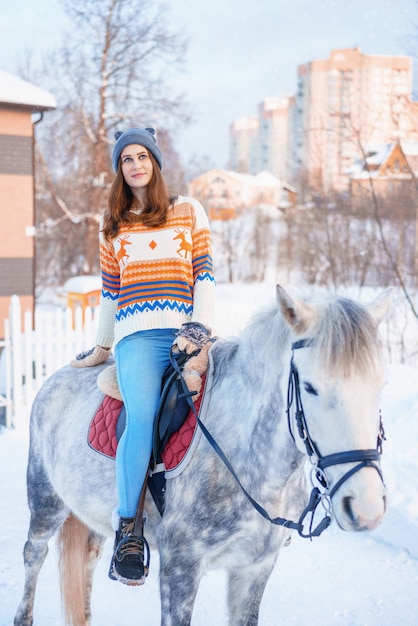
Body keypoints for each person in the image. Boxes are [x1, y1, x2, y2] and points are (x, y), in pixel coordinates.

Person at [71, 127, 215, 586]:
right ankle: (128, 531)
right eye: (125, 159)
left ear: (154, 161)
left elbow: (205, 276)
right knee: (142, 414)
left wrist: (199, 328)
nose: (134, 164)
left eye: (141, 156)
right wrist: (101, 346)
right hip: (136, 338)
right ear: (120, 169)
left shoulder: (189, 211)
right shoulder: (112, 224)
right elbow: (111, 297)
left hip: (187, 332)